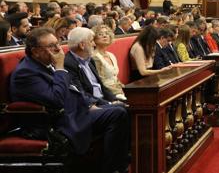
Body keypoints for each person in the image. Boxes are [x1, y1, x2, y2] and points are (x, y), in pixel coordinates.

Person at [10, 27, 130, 173]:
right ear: (35, 51)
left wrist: (89, 104)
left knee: (123, 108)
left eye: (58, 43)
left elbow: (73, 89)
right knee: (117, 114)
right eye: (51, 46)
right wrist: (60, 68)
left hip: (74, 111)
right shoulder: (26, 72)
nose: (58, 49)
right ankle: (112, 169)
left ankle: (117, 164)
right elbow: (56, 100)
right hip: (56, 122)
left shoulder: (44, 64)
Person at [64, 27, 121, 107]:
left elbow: (101, 86)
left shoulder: (90, 60)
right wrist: (109, 103)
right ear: (82, 45)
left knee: (129, 104)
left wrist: (114, 100)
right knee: (121, 110)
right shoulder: (69, 63)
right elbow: (82, 93)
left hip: (103, 100)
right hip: (91, 105)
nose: (94, 44)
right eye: (91, 41)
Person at [91, 25, 127, 101]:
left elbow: (115, 78)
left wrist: (124, 89)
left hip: (118, 89)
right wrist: (119, 92)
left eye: (107, 33)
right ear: (94, 39)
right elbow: (100, 82)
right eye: (100, 34)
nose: (105, 36)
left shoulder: (111, 55)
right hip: (107, 94)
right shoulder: (94, 57)